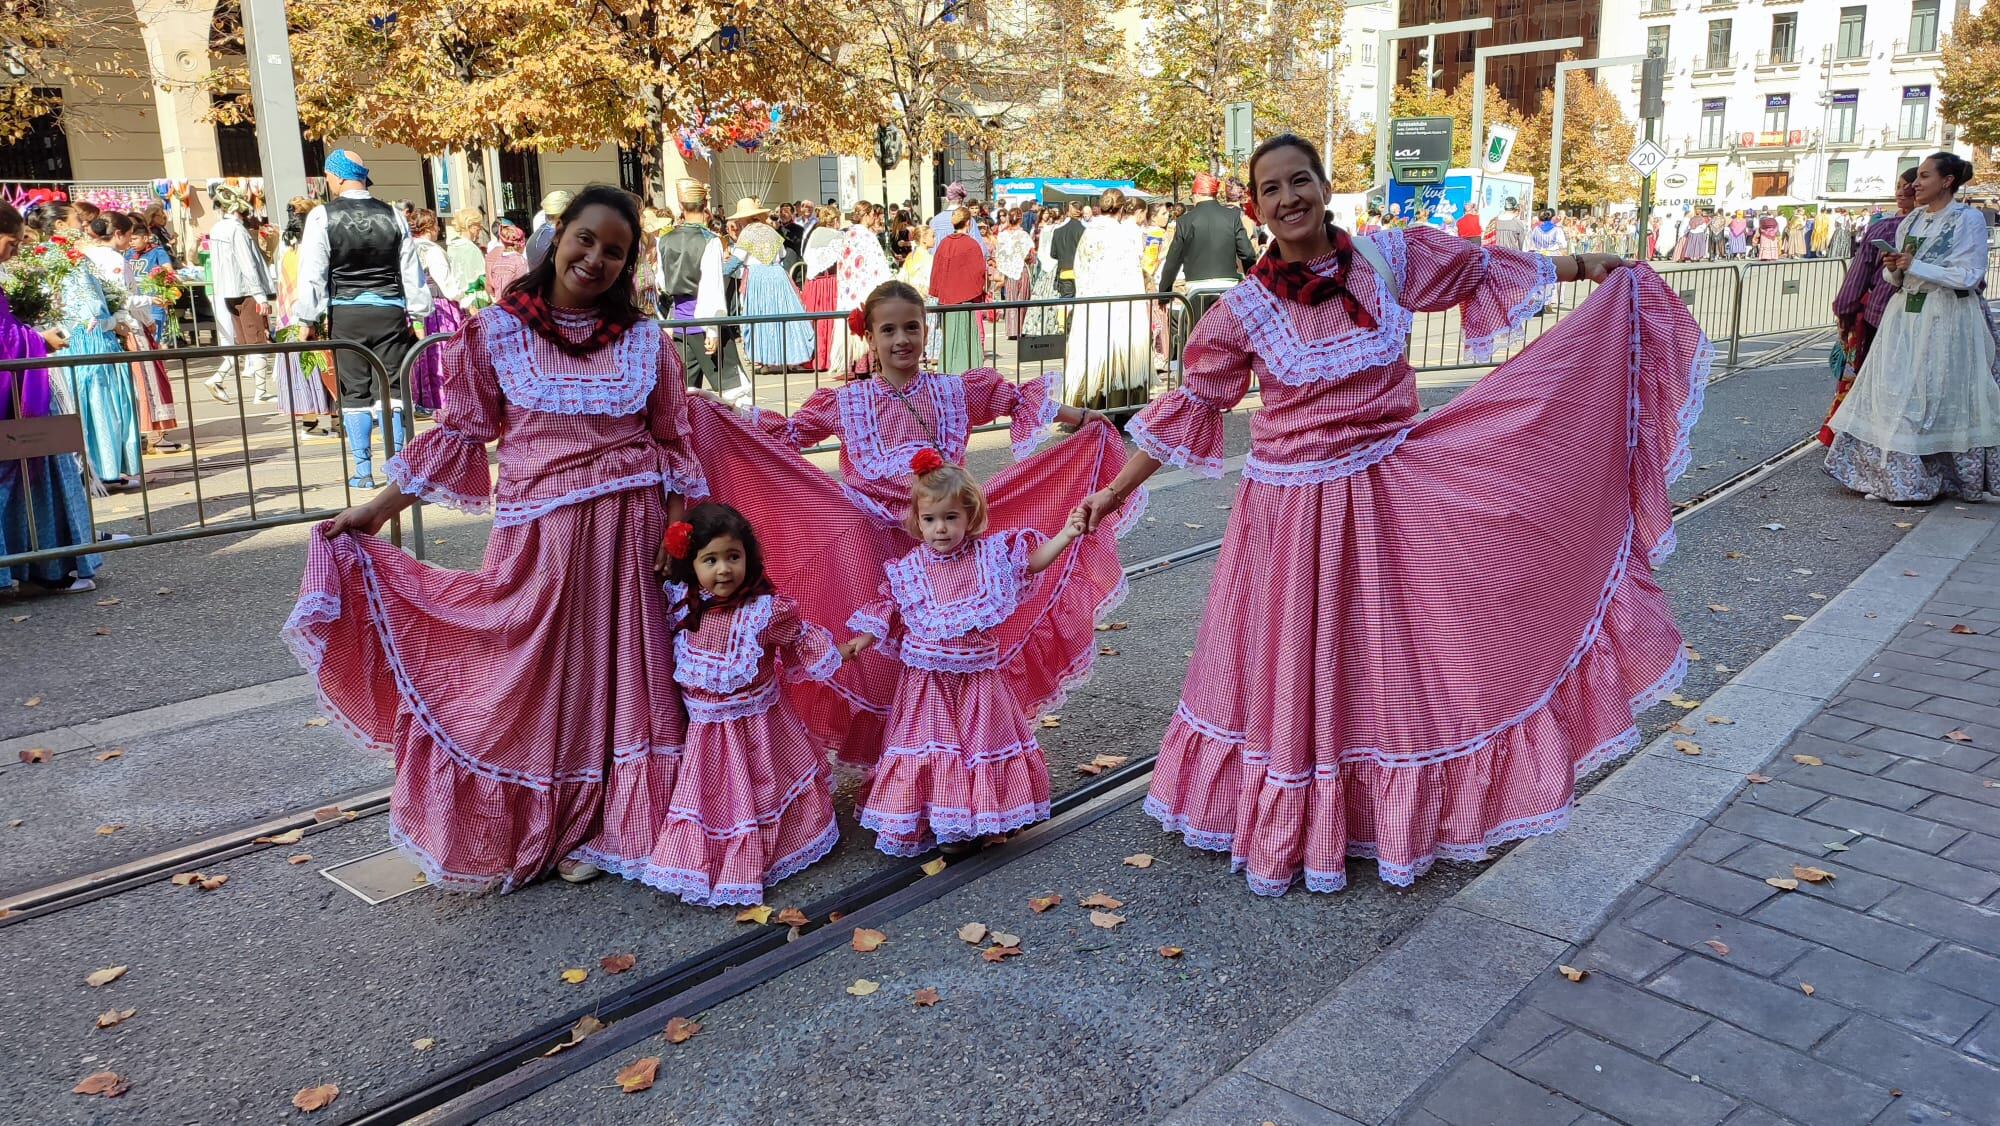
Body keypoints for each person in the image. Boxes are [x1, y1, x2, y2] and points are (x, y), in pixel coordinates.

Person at [1075, 133, 1705, 895]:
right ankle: (1301, 816)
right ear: (1256, 207)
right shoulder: (1240, 312)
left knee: (1391, 661)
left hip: (1391, 495)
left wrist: (1583, 266)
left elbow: (1480, 268)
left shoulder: (1385, 259)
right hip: (1291, 517)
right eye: (1271, 189)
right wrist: (1112, 492)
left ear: (1325, 185)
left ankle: (1382, 815)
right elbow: (1192, 406)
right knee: (1305, 667)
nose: (1288, 198)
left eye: (1299, 180)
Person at [288, 185, 708, 893]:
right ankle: (541, 823)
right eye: (586, 239)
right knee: (534, 681)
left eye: (615, 250)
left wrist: (673, 542)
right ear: (556, 237)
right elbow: (461, 434)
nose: (595, 258)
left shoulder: (645, 341)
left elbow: (672, 444)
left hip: (630, 537)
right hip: (539, 541)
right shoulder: (495, 332)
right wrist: (377, 511)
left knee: (626, 684)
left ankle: (609, 822)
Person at [688, 279, 1130, 771]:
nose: (902, 340)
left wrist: (1085, 416)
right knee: (882, 654)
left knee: (946, 646)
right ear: (869, 338)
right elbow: (786, 434)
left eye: (912, 328)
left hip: (945, 542)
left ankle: (955, 754)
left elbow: (1011, 400)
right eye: (889, 330)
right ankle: (899, 762)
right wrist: (720, 414)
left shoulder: (954, 391)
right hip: (869, 544)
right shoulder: (847, 402)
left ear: (926, 330)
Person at [592, 503, 842, 905]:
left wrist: (842, 650)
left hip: (762, 732)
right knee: (714, 800)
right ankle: (710, 860)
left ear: (748, 557)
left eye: (733, 557)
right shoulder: (678, 604)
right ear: (692, 564)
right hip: (706, 737)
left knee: (761, 792)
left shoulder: (765, 611)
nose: (724, 569)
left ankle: (775, 846)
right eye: (711, 560)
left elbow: (803, 641)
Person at [842, 459, 1089, 855]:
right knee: (932, 746)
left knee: (977, 746)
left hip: (977, 679)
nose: (940, 528)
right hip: (927, 682)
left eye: (950, 517)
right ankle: (939, 819)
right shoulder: (908, 569)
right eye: (930, 519)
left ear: (970, 516)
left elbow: (1032, 563)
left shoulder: (991, 556)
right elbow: (888, 607)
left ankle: (977, 817)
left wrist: (1067, 533)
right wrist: (862, 640)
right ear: (917, 521)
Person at [1826, 153, 2000, 502]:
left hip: (1947, 316)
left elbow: (1969, 275)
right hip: (1904, 315)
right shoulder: (1912, 221)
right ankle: (1894, 477)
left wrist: (1915, 265)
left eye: (1923, 177)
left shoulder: (1968, 220)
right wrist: (1895, 267)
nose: (1914, 184)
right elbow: (1896, 277)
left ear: (1947, 181)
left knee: (1942, 392)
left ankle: (1950, 475)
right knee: (1895, 391)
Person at [290, 150, 433, 489]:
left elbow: (313, 273)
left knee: (354, 391)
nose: (327, 183)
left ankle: (363, 471)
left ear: (338, 177)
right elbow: (411, 270)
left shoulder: (322, 216)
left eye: (327, 177)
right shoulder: (394, 215)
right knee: (394, 389)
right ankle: (397, 466)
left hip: (347, 311)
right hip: (391, 311)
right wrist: (419, 312)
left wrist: (306, 318)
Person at [0, 201, 99, 594]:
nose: (14, 252)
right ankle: (46, 568)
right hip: (16, 400)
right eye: (11, 243)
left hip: (15, 392)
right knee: (35, 473)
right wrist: (37, 340)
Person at [1826, 168, 1920, 445]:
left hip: (1880, 314)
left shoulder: (1885, 227)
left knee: (1876, 381)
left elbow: (1858, 275)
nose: (1902, 191)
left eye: (1910, 186)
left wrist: (1844, 311)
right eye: (1899, 185)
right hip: (1916, 315)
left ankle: (1867, 440)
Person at [1063, 188, 1153, 413]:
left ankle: (1086, 407)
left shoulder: (1088, 232)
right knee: (1120, 352)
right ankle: (1123, 406)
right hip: (1122, 304)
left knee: (1092, 352)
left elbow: (1079, 269)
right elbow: (1131, 271)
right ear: (1122, 209)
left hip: (1091, 303)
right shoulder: (1122, 234)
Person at [656, 180, 742, 404]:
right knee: (733, 392)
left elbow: (663, 283)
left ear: (681, 205)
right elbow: (711, 287)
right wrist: (713, 330)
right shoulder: (710, 241)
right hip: (704, 324)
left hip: (679, 325)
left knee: (683, 393)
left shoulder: (664, 239)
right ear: (705, 205)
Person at [724, 197, 816, 373]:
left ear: (744, 218)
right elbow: (781, 254)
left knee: (760, 317)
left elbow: (736, 261)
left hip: (758, 277)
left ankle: (765, 361)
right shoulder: (771, 231)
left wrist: (719, 269)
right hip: (777, 275)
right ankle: (791, 359)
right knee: (784, 315)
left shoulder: (747, 233)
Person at [204, 185, 275, 404]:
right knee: (256, 341)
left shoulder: (217, 229)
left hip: (228, 291)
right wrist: (260, 295)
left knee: (244, 342)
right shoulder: (237, 230)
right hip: (245, 291)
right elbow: (247, 264)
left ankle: (218, 377)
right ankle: (260, 392)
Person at [1158, 174, 1258, 329]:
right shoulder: (1232, 216)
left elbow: (1173, 260)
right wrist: (1252, 282)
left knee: (1199, 336)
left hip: (1196, 289)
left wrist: (1164, 294)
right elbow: (1247, 253)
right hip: (1228, 287)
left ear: (1196, 194)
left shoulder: (1185, 221)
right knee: (1227, 336)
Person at [273, 197, 336, 436]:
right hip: (315, 312)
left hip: (289, 314)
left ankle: (309, 422)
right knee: (324, 365)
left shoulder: (287, 246)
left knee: (301, 368)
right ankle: (335, 420)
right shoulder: (316, 245)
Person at [406, 209, 469, 414]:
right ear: (430, 227)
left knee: (424, 354)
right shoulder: (432, 250)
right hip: (438, 307)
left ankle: (425, 398)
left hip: (416, 307)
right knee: (442, 351)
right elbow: (447, 283)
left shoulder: (408, 248)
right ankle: (445, 398)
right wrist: (464, 298)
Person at [929, 207, 988, 374]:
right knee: (967, 337)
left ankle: (948, 370)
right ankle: (969, 372)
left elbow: (936, 270)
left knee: (949, 338)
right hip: (966, 300)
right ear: (968, 223)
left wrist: (938, 291)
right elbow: (979, 272)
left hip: (947, 300)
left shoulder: (944, 243)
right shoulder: (971, 244)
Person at [836, 203, 894, 373]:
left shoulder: (848, 235)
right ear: (867, 214)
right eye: (872, 214)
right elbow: (879, 265)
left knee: (855, 329)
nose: (874, 218)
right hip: (866, 289)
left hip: (850, 291)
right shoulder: (868, 236)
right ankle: (869, 366)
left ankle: (857, 366)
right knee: (869, 328)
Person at [993, 208, 1035, 340]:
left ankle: (1011, 330)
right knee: (1022, 299)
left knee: (1010, 299)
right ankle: (1020, 328)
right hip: (1021, 269)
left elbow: (998, 254)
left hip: (1008, 271)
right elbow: (1030, 254)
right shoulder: (1024, 235)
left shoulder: (1002, 235)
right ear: (1021, 219)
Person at [445, 209, 489, 311]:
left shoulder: (452, 246)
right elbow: (481, 276)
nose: (479, 230)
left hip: (458, 298)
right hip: (475, 298)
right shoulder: (471, 248)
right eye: (478, 226)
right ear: (471, 226)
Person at [1048, 201, 1087, 299]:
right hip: (1080, 272)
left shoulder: (1058, 231)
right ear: (1081, 212)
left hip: (1064, 271)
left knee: (1065, 304)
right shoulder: (1084, 231)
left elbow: (1053, 254)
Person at [484, 220, 529, 299]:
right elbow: (523, 287)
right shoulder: (519, 260)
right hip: (513, 303)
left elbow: (489, 286)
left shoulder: (494, 258)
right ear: (521, 244)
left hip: (498, 302)